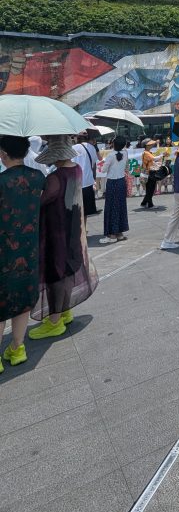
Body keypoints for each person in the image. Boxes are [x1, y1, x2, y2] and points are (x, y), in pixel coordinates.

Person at [28, 135, 98, 339]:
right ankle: (65, 310)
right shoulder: (76, 169)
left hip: (55, 232)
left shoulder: (55, 178)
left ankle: (54, 322)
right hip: (73, 229)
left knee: (55, 274)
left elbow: (41, 203)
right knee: (67, 270)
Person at [0, 136, 45, 369]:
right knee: (22, 299)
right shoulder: (38, 177)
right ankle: (17, 348)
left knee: (2, 300)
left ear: (4, 154)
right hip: (29, 249)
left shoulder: (1, 181)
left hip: (4, 251)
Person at [100, 137, 129, 244]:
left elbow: (103, 170)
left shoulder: (110, 155)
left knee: (111, 207)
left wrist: (104, 161)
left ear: (113, 144)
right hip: (121, 182)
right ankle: (119, 233)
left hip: (112, 183)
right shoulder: (125, 153)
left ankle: (112, 235)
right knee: (120, 207)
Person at [74, 131, 101, 222]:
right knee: (85, 212)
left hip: (76, 183)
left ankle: (78, 232)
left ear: (77, 138)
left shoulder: (73, 148)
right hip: (88, 182)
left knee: (76, 211)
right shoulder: (92, 148)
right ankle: (84, 232)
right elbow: (93, 164)